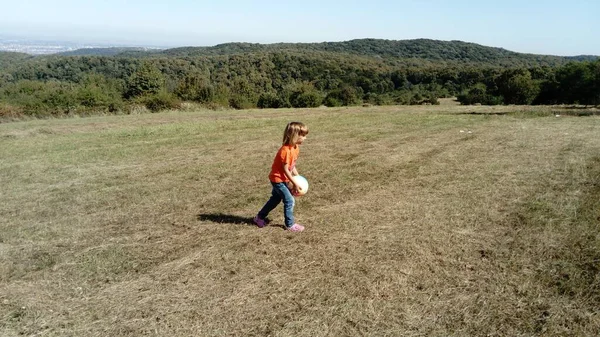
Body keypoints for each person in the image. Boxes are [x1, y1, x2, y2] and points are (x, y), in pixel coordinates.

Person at [254, 122, 309, 232]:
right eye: (302, 135)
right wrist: (294, 183)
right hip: (277, 179)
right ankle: (290, 225)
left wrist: (298, 177)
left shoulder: (295, 148)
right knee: (289, 201)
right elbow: (285, 169)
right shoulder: (285, 151)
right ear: (294, 135)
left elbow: (292, 166)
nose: (305, 138)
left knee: (274, 200)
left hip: (283, 179)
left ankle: (259, 217)